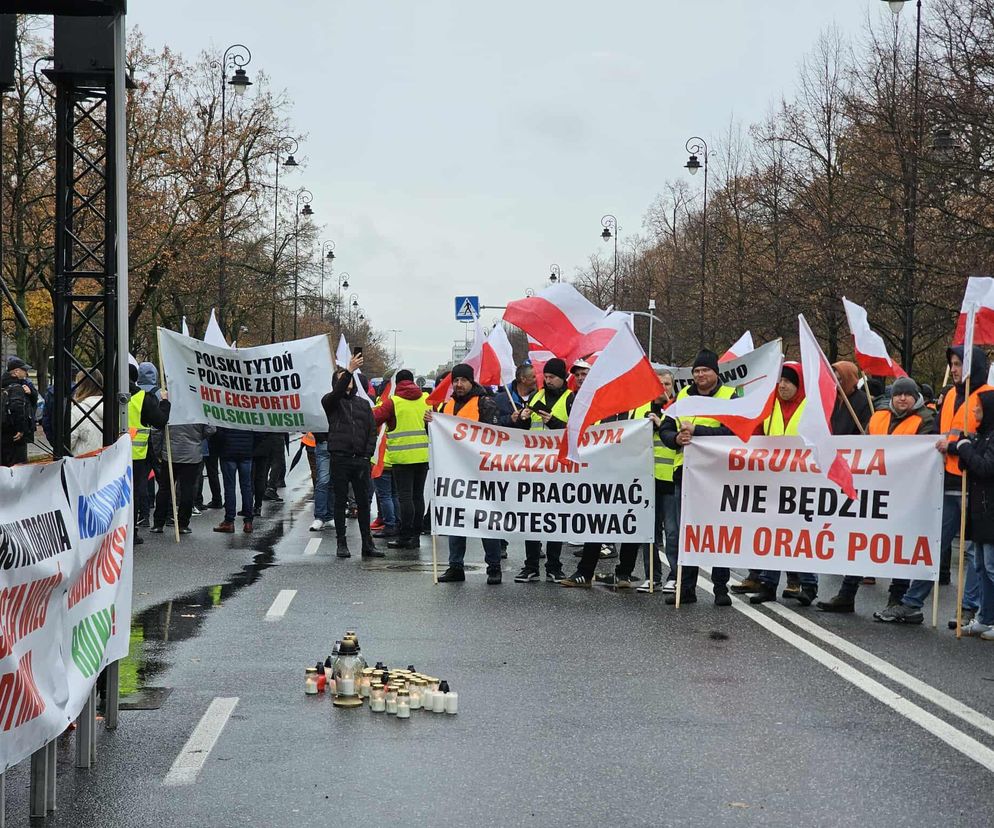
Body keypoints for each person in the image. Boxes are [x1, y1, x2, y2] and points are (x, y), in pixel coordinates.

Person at [875, 346, 991, 625]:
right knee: (932, 545)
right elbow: (937, 435)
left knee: (974, 552)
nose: (953, 369)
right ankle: (912, 604)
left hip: (973, 484)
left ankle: (970, 608)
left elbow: (986, 438)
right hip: (945, 481)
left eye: (959, 364)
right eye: (951, 363)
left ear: (973, 366)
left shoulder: (987, 396)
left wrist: (954, 446)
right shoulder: (950, 395)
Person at [817, 376, 936, 613]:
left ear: (916, 397)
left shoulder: (927, 420)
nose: (902, 398)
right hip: (876, 490)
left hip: (908, 492)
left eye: (908, 394)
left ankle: (896, 598)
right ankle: (847, 594)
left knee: (902, 545)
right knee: (863, 541)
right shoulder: (878, 417)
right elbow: (865, 448)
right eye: (898, 394)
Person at [658, 349, 737, 606]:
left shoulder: (729, 396)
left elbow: (734, 432)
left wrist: (697, 431)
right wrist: (675, 439)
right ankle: (687, 588)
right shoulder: (682, 396)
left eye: (705, 370)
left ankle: (721, 588)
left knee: (718, 532)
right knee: (686, 533)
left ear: (716, 372)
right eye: (697, 371)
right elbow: (666, 429)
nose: (700, 375)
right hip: (686, 474)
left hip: (717, 475)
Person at [748, 362, 819, 606]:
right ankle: (768, 584)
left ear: (798, 384)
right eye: (780, 381)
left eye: (788, 381)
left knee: (801, 535)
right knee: (773, 533)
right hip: (772, 481)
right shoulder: (769, 407)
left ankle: (809, 585)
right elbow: (756, 435)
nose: (782, 385)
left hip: (803, 482)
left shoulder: (811, 407)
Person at [432, 363, 504, 585]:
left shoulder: (485, 403)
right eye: (455, 381)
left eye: (462, 380)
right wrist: (431, 424)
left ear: (471, 381)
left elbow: (493, 435)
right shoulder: (446, 406)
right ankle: (456, 567)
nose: (458, 384)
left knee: (485, 520)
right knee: (456, 520)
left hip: (480, 473)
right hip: (455, 472)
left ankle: (494, 567)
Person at [510, 357, 573, 583]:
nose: (547, 381)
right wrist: (522, 419)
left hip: (559, 468)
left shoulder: (570, 399)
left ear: (562, 378)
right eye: (545, 377)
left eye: (552, 377)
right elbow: (524, 431)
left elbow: (577, 432)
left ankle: (554, 565)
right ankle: (531, 565)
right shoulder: (536, 397)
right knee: (532, 518)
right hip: (535, 467)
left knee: (555, 518)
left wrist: (554, 421)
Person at [322, 353, 380, 558]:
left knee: (364, 502)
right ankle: (341, 542)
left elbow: (372, 431)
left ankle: (367, 543)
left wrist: (367, 455)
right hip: (340, 458)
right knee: (340, 501)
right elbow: (337, 393)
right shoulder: (331, 402)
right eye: (341, 379)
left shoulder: (363, 404)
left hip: (360, 461)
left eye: (347, 379)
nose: (345, 382)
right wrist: (347, 371)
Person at [947, 390, 994, 640]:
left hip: (990, 510)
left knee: (991, 566)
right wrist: (962, 446)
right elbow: (969, 463)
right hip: (980, 509)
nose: (974, 412)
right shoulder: (984, 435)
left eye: (979, 408)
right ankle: (985, 617)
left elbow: (986, 468)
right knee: (981, 566)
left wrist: (965, 448)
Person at [375, 369, 430, 550]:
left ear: (397, 384)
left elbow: (374, 418)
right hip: (422, 457)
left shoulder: (394, 403)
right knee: (418, 497)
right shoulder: (425, 399)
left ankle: (405, 536)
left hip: (402, 459)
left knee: (405, 498)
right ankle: (415, 536)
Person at [128, 363, 170, 541]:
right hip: (136, 455)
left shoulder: (105, 395)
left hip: (110, 453)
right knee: (134, 493)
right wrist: (165, 403)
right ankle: (132, 532)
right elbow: (160, 421)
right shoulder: (141, 397)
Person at [152, 422, 215, 534]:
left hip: (170, 453)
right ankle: (183, 524)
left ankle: (158, 523)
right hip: (192, 453)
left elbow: (156, 430)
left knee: (165, 489)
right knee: (187, 489)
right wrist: (197, 436)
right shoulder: (198, 408)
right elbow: (211, 429)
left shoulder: (169, 406)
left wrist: (158, 451)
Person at [213, 426, 256, 534]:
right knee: (247, 487)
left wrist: (221, 445)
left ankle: (229, 521)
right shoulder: (250, 410)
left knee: (229, 488)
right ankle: (248, 522)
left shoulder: (225, 410)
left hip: (228, 452)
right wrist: (251, 445)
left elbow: (218, 432)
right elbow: (260, 432)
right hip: (246, 452)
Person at [1, 356, 38, 466]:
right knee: (18, 466)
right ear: (16, 371)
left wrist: (31, 393)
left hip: (4, 431)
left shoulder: (6, 386)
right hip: (15, 436)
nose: (26, 373)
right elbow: (17, 408)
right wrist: (20, 429)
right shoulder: (17, 388)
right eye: (24, 370)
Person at [830, 361, 871, 436]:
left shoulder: (863, 401)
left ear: (849, 379)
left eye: (839, 379)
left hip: (850, 446)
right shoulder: (830, 397)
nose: (836, 383)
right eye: (834, 379)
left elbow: (865, 430)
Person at [69, 369, 105, 456]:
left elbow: (68, 443)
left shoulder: (78, 410)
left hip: (84, 463)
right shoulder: (111, 408)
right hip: (108, 463)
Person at [496, 363, 537, 427]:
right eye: (534, 377)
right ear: (523, 379)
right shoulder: (502, 398)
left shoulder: (540, 396)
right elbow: (493, 421)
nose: (537, 379)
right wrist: (510, 419)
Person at [309, 430, 335, 532]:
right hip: (326, 444)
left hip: (336, 444)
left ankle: (328, 516)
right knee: (324, 481)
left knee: (332, 482)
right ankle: (320, 517)